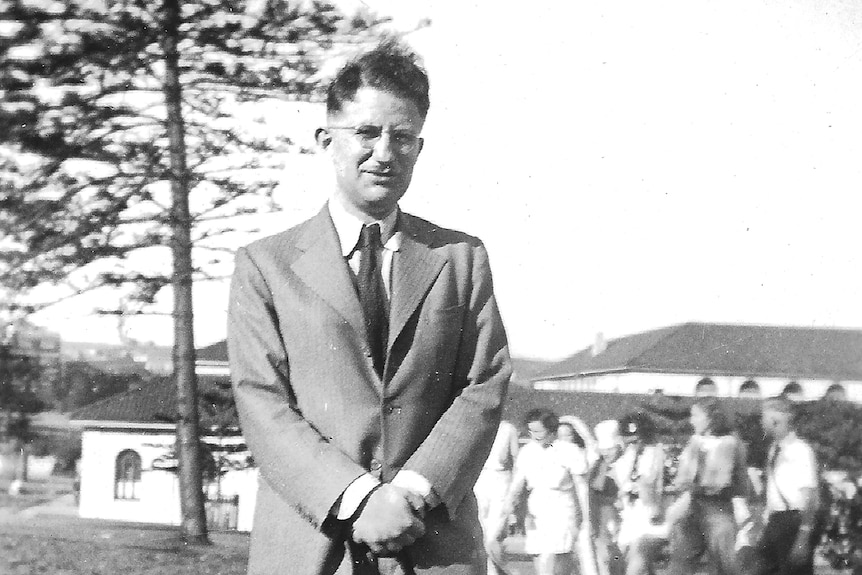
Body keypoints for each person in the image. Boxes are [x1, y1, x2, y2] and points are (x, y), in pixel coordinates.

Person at [227, 40, 512, 575]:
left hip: (431, 545)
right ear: (326, 140)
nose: (384, 153)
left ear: (419, 148)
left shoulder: (460, 259)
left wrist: (408, 492)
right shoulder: (266, 265)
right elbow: (263, 404)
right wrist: (360, 498)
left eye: (401, 137)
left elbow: (484, 385)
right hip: (310, 541)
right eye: (366, 133)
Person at [491, 409, 587, 575]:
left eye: (538, 431)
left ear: (551, 430)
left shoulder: (569, 450)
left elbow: (582, 488)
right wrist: (508, 507)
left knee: (552, 563)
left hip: (562, 511)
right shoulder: (527, 452)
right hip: (536, 513)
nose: (534, 435)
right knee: (541, 564)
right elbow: (516, 485)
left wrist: (585, 518)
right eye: (531, 431)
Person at [667, 397, 749, 575]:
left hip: (717, 509)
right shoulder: (695, 441)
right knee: (680, 564)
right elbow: (683, 478)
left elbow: (718, 482)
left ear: (711, 418)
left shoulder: (729, 443)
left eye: (696, 415)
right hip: (693, 507)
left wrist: (693, 482)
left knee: (723, 566)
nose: (692, 420)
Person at [756, 397, 820, 575]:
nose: (761, 423)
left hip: (794, 521)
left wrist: (803, 536)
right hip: (776, 521)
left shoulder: (801, 451)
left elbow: (810, 497)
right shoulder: (774, 449)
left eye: (764, 418)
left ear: (775, 420)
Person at [615, 413, 666, 575]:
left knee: (637, 557)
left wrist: (653, 508)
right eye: (629, 440)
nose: (633, 445)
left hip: (647, 510)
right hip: (629, 511)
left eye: (637, 440)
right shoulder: (625, 455)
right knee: (634, 559)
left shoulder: (653, 453)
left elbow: (647, 484)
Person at [474, 420, 520, 575]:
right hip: (479, 479)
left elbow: (516, 458)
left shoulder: (508, 428)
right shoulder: (476, 422)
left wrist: (514, 490)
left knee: (492, 536)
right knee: (481, 533)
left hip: (501, 480)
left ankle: (507, 571)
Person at [587, 419, 625, 575]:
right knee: (605, 554)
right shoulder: (598, 465)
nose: (606, 453)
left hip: (625, 516)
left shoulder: (626, 462)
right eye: (603, 449)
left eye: (610, 449)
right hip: (603, 516)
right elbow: (594, 490)